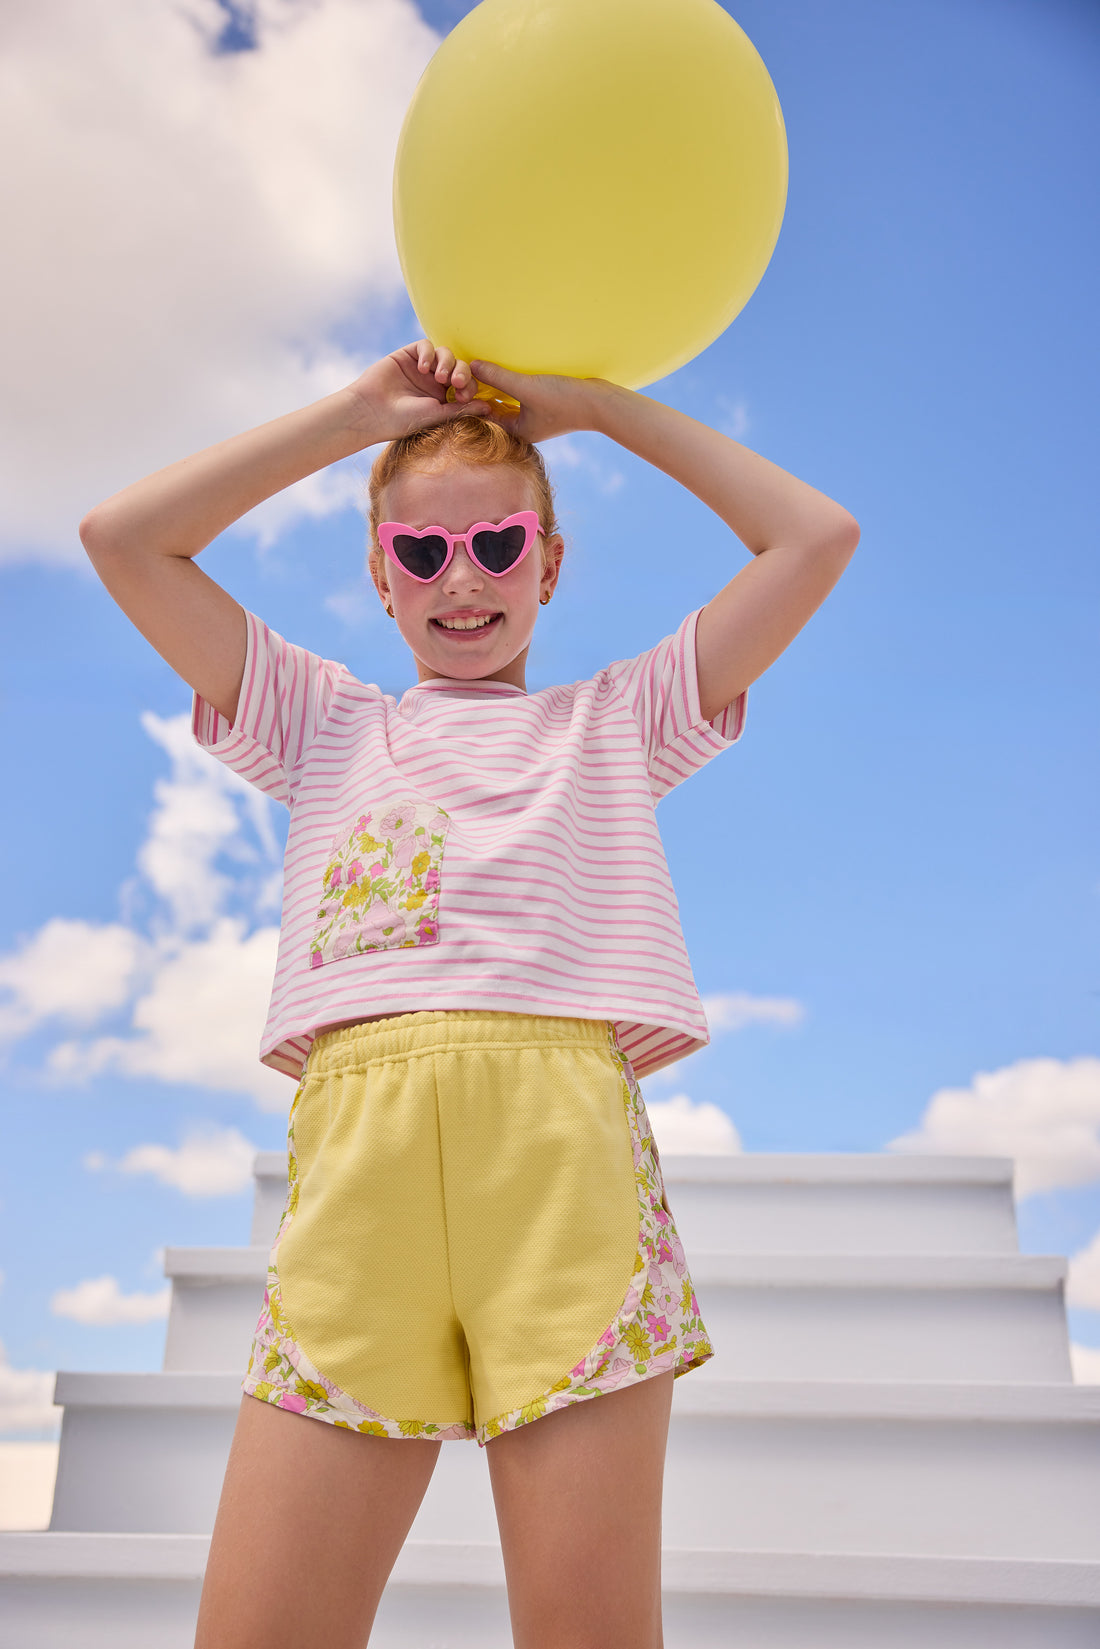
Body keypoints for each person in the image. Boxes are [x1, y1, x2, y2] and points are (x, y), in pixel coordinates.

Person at [80, 338, 859, 1649]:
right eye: (424, 554)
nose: (464, 580)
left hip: (560, 1179)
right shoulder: (322, 725)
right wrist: (355, 418)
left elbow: (813, 537)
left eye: (499, 546)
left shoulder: (616, 723)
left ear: (549, 563)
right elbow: (123, 539)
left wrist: (599, 410)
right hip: (359, 1182)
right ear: (381, 575)